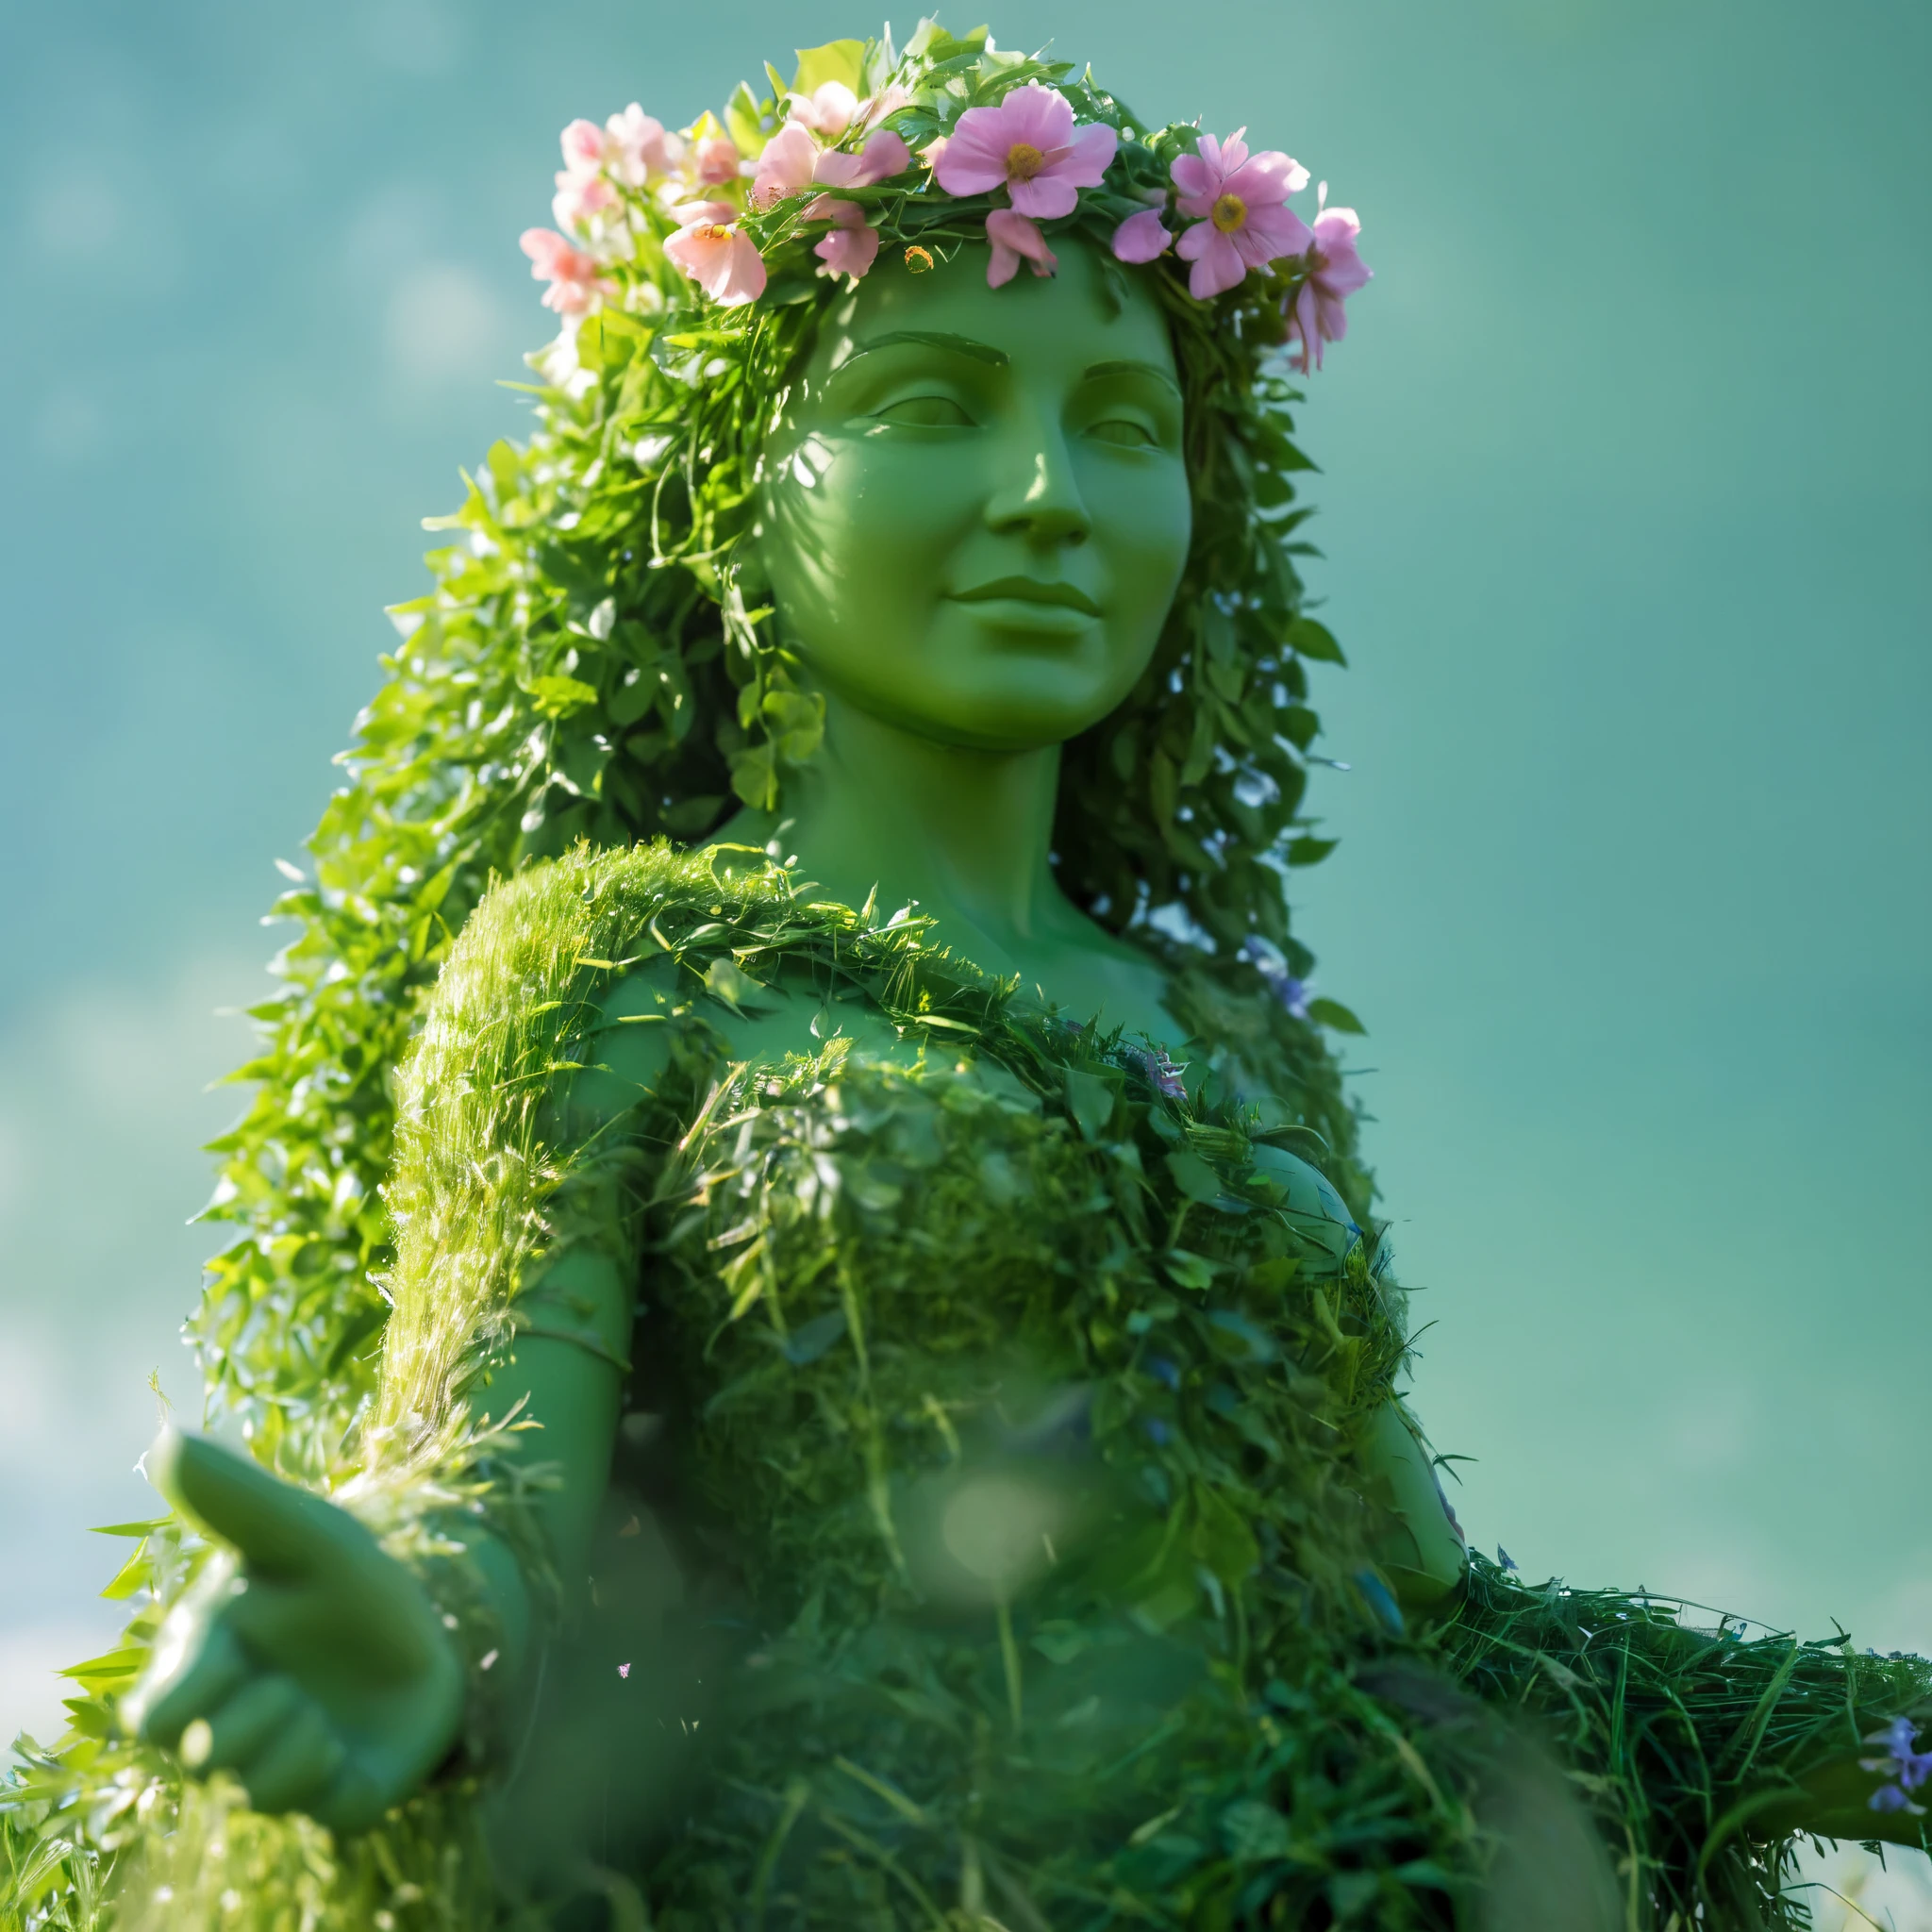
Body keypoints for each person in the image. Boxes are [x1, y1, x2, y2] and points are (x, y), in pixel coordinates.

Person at [7, 28, 1925, 1932]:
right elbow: (490, 1475)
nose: (1045, 494)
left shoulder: (1226, 1035)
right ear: (732, 495)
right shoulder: (621, 961)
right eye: (932, 402)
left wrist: (1878, 1733)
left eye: (1119, 424)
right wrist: (409, 1630)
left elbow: (1434, 1615)